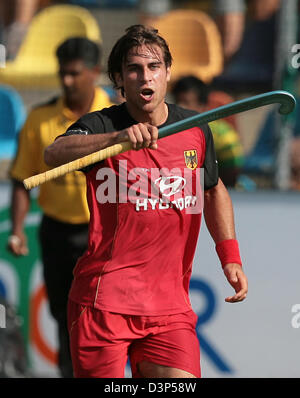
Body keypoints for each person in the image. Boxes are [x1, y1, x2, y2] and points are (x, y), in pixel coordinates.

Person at [44, 25, 248, 378]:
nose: (145, 76)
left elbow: (213, 190)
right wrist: (117, 138)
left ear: (168, 72)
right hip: (102, 304)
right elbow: (54, 153)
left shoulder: (195, 128)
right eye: (134, 69)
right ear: (120, 78)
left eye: (154, 67)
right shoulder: (101, 125)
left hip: (169, 308)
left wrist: (229, 256)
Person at [8, 37, 113, 377]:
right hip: (57, 233)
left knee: (106, 315)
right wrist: (18, 229)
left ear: (95, 72)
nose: (67, 81)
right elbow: (23, 180)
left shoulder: (116, 116)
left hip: (105, 235)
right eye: (62, 74)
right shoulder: (40, 119)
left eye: (74, 73)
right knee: (64, 315)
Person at [172, 75, 244, 187]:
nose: (180, 107)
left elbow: (231, 177)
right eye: (178, 102)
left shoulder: (223, 136)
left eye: (186, 103)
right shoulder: (166, 133)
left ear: (203, 106)